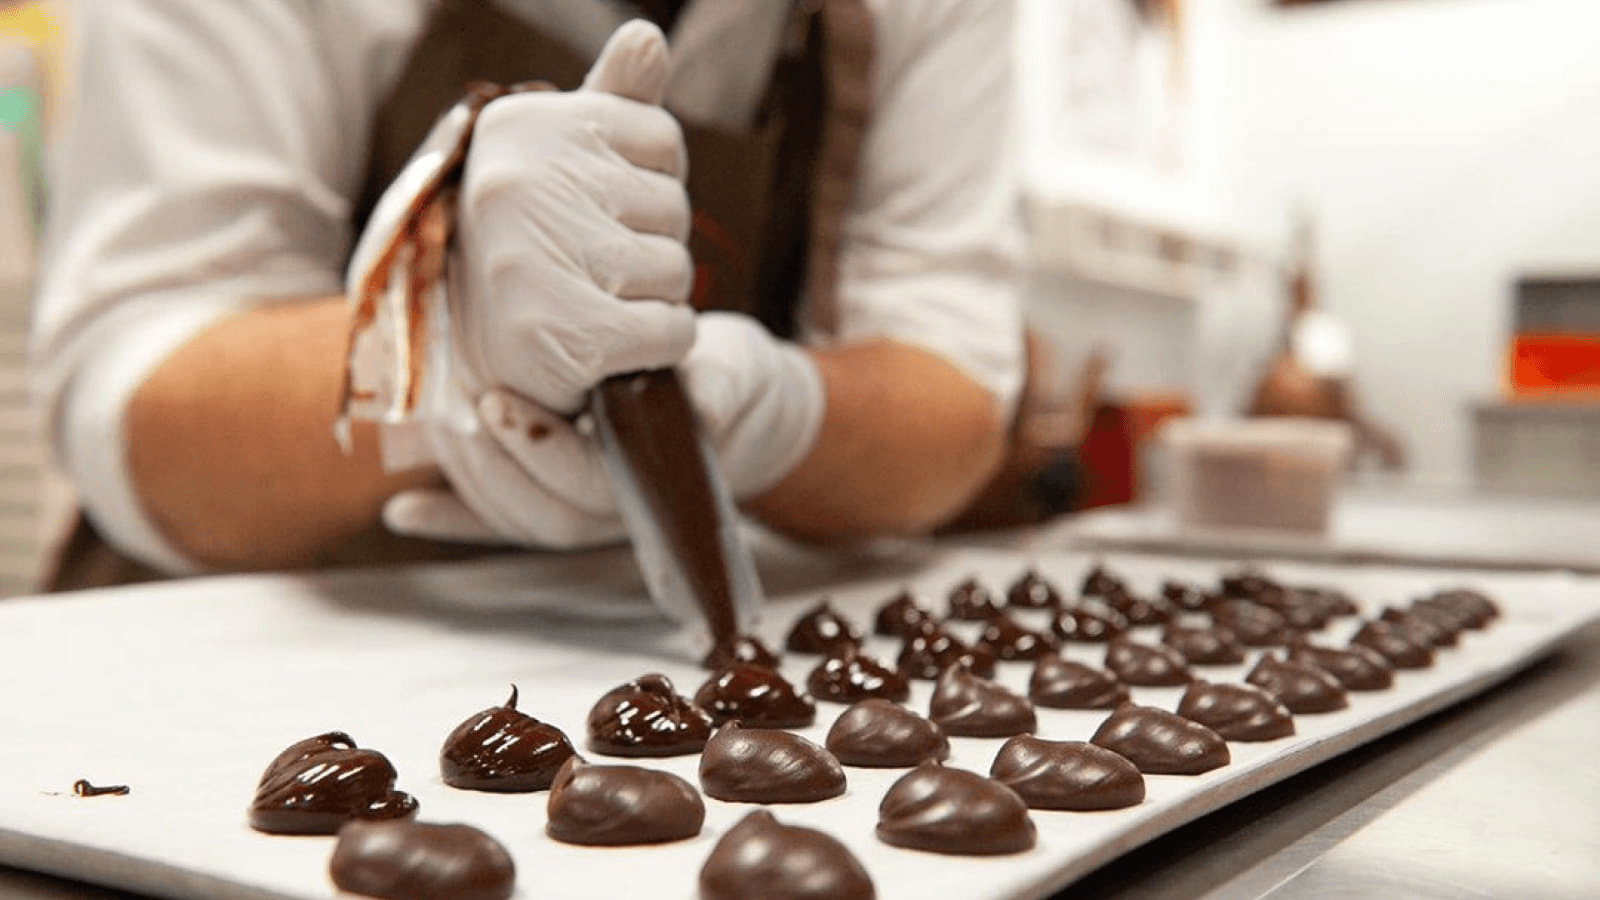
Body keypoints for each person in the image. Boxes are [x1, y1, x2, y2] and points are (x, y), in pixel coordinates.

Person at [30, 0, 1025, 586]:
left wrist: (766, 412)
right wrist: (437, 359)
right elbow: (139, 383)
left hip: (638, 657)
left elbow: (952, 383)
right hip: (229, 673)